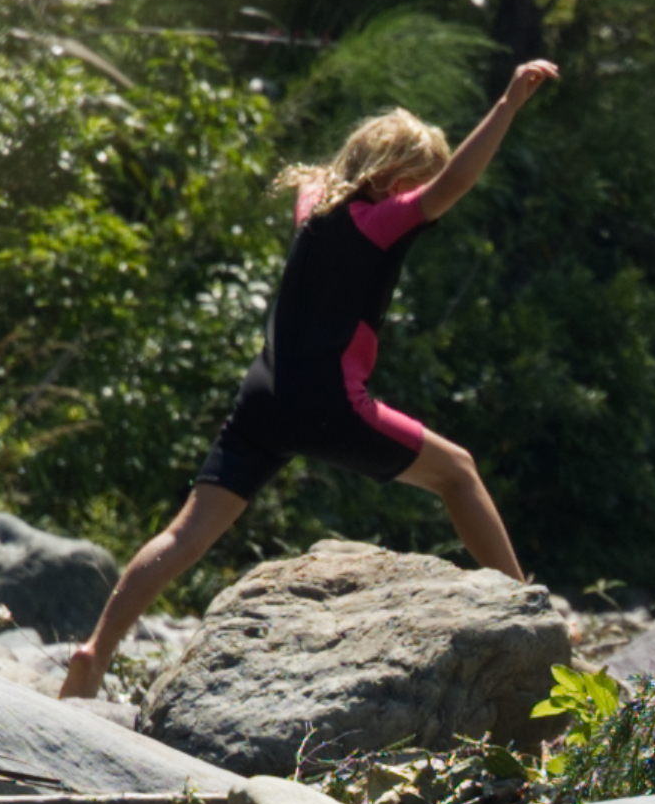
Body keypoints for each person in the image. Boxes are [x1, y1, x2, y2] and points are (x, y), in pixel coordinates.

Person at [59, 61, 558, 702]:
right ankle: (526, 613)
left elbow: (326, 174)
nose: (423, 204)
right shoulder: (381, 220)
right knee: (458, 472)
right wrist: (507, 105)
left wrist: (357, 158)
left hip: (263, 397)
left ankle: (96, 650)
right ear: (394, 181)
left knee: (186, 532)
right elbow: (457, 179)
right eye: (416, 186)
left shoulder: (313, 205)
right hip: (330, 402)